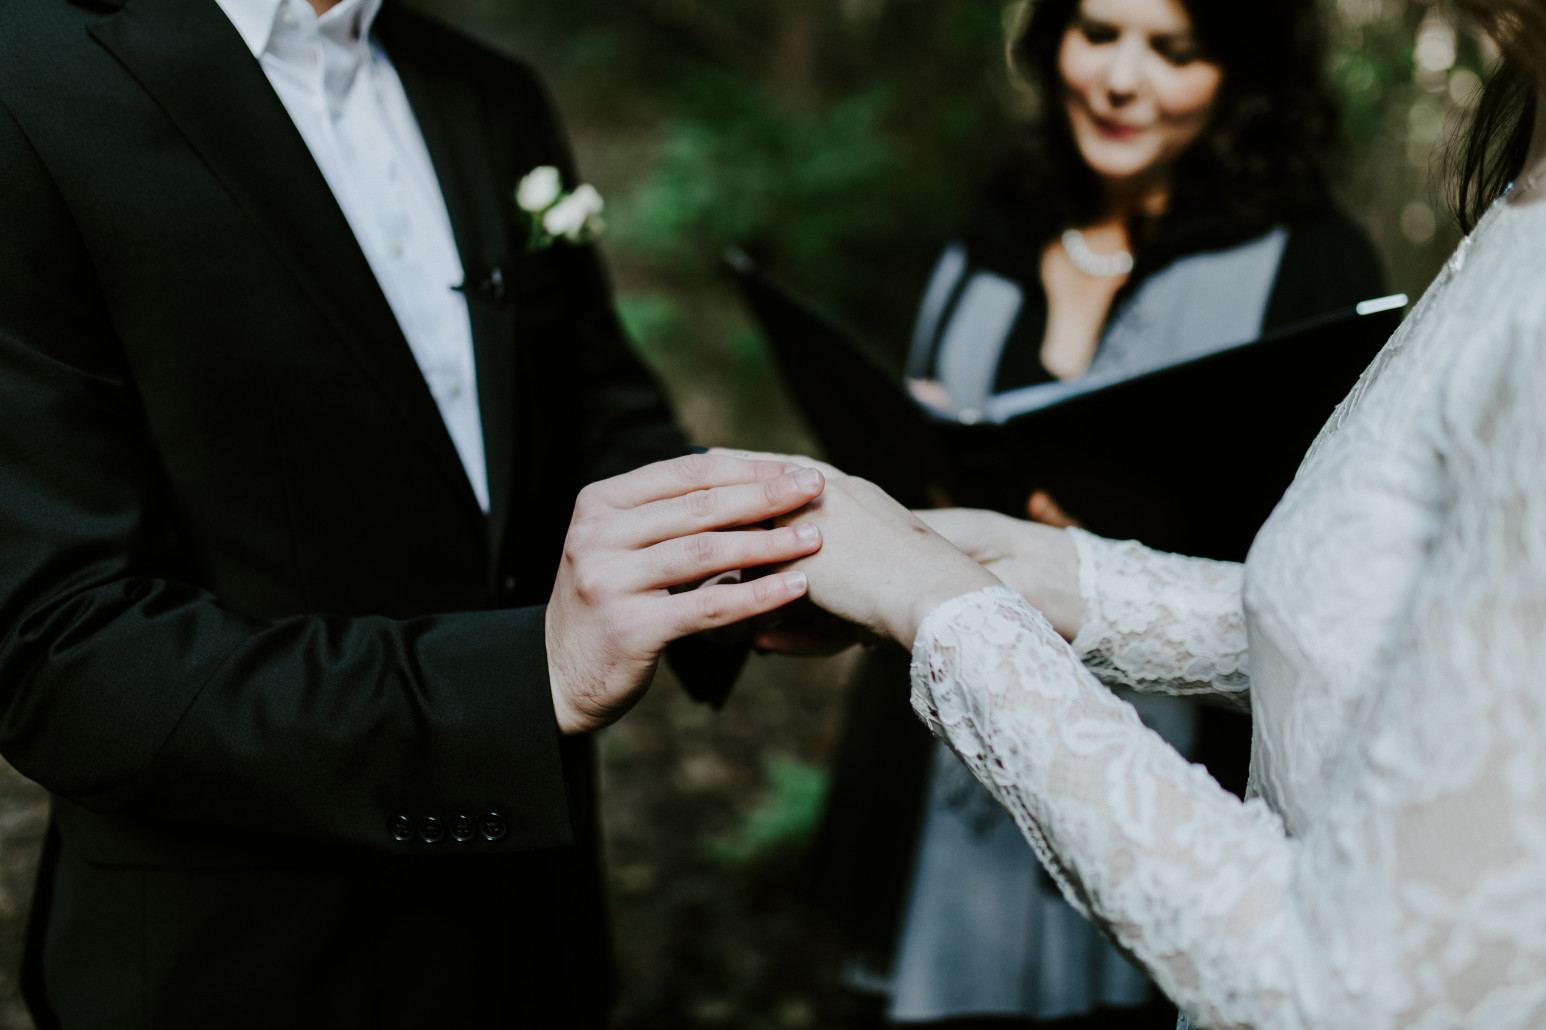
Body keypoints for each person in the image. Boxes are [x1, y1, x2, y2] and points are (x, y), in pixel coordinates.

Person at [0, 0, 824, 1026]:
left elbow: (589, 407)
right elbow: (60, 646)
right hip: (234, 959)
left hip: (528, 929)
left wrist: (770, 551)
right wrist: (521, 685)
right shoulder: (24, 83)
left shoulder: (489, 89)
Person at [771, 0, 1546, 1024]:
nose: (1122, 78)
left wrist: (949, 610)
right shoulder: (1520, 198)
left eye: (1174, 48)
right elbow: (1358, 620)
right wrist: (1037, 568)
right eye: (1097, 33)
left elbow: (1360, 977)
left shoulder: (1327, 261)